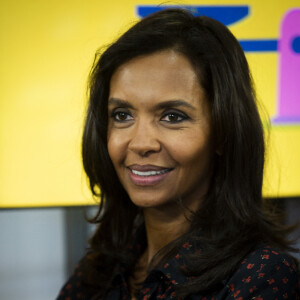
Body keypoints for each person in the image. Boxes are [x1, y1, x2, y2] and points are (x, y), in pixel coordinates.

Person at [57, 8, 299, 300]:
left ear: (223, 133)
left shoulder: (262, 275)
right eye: (122, 115)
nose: (141, 143)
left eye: (172, 116)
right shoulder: (97, 272)